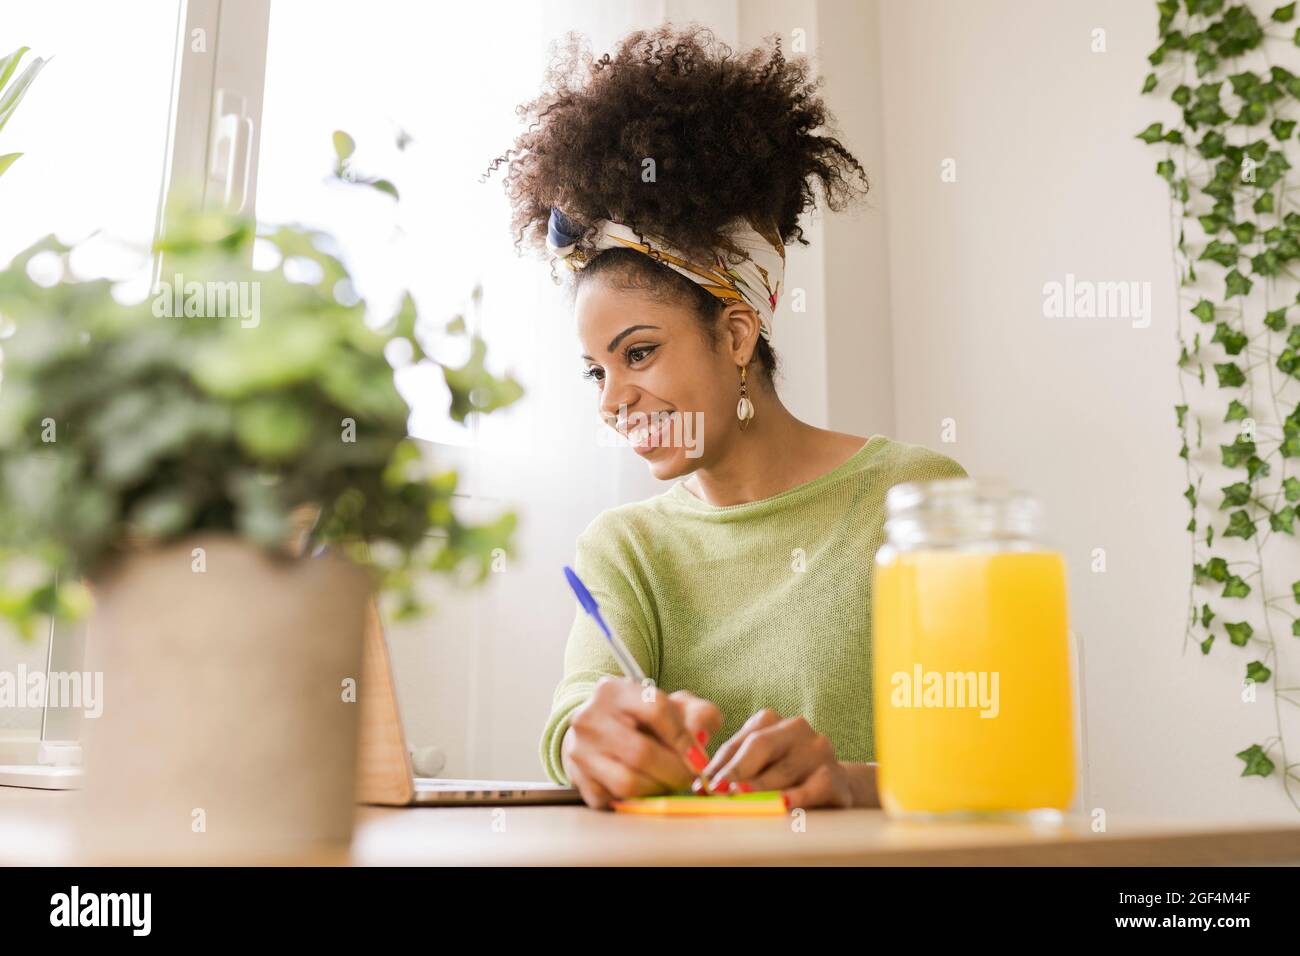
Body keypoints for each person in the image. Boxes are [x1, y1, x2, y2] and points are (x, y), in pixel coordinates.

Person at [489, 24, 966, 810]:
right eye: (595, 372)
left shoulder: (912, 498)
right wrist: (589, 740)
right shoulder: (626, 547)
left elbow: (985, 762)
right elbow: (579, 712)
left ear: (737, 334)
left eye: (638, 353)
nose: (611, 401)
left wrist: (849, 782)